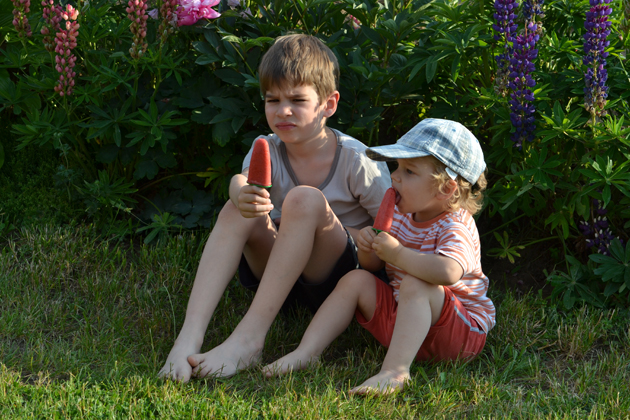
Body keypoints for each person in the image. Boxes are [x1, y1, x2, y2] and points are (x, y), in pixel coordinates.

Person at [158, 34, 391, 382]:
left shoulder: (358, 160)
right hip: (278, 279)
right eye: (273, 99)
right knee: (237, 208)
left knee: (305, 199)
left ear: (328, 104)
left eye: (297, 99)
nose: (283, 110)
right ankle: (188, 337)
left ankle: (249, 339)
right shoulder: (266, 148)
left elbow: (390, 231)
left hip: (334, 283)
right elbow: (241, 182)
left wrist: (336, 230)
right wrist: (240, 193)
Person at [263, 118, 496, 395]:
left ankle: (394, 372)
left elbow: (447, 272)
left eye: (409, 171)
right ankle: (307, 351)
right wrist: (367, 247)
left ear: (446, 189)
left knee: (416, 282)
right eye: (397, 168)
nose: (395, 176)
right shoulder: (400, 214)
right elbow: (374, 267)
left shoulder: (456, 224)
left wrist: (397, 253)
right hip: (405, 321)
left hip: (458, 334)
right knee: (356, 279)